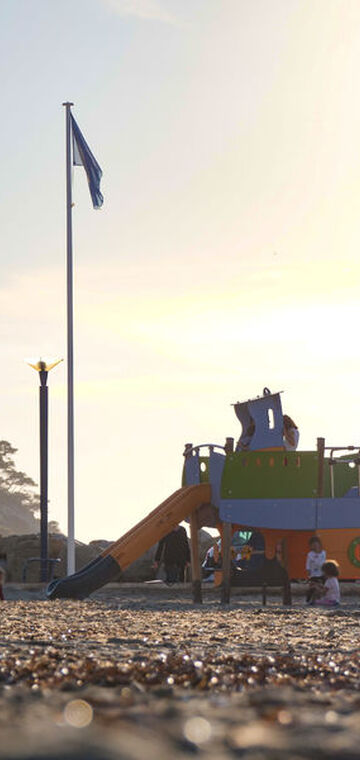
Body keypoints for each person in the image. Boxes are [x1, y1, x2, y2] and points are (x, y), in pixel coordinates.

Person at [306, 536, 326, 603]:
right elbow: (308, 565)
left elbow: (325, 562)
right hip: (313, 575)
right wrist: (309, 575)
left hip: (322, 574)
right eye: (313, 545)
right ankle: (309, 600)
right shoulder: (310, 554)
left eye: (316, 544)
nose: (315, 546)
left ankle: (321, 600)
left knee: (321, 588)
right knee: (312, 589)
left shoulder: (323, 553)